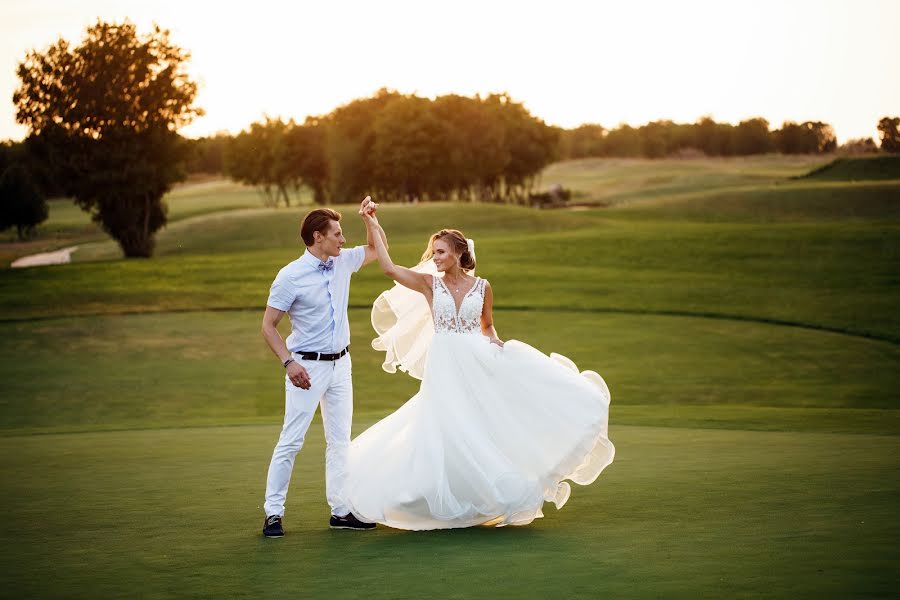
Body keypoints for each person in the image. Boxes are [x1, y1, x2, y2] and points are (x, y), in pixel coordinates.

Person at [343, 199, 615, 530]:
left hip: (476, 358)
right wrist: (371, 223)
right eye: (435, 253)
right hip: (444, 362)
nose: (435, 258)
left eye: (441, 252)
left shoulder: (483, 287)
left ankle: (490, 494)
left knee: (479, 423)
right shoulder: (430, 285)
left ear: (458, 253)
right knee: (445, 424)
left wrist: (496, 341)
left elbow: (487, 325)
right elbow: (389, 268)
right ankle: (427, 498)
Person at [260, 198, 386, 537]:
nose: (343, 241)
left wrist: (370, 219)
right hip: (306, 369)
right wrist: (289, 363)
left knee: (340, 440)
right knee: (292, 440)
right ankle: (273, 513)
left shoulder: (343, 262)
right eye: (338, 234)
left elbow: (378, 250)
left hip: (341, 365)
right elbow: (268, 327)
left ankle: (341, 511)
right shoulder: (290, 276)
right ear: (318, 237)